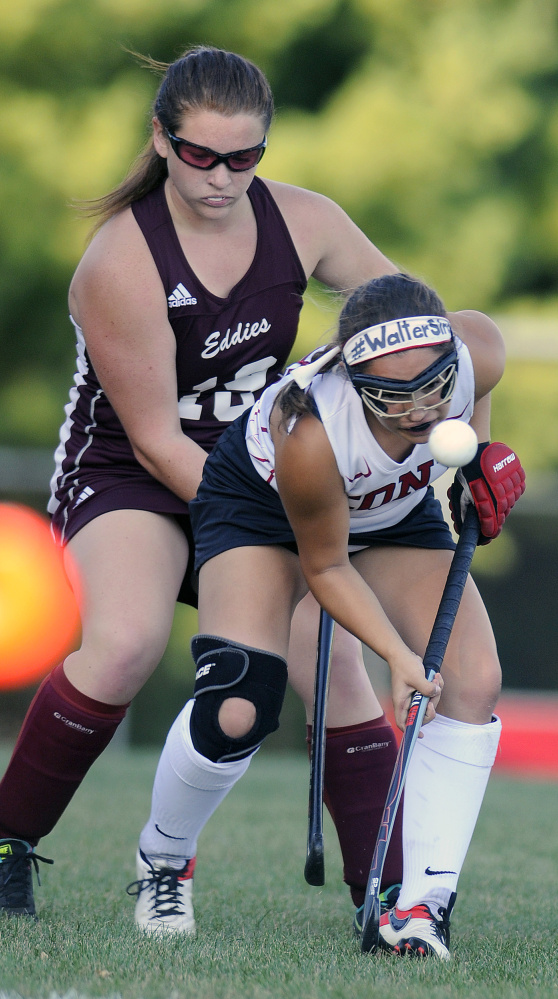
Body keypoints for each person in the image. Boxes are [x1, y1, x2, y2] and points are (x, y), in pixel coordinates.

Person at [0, 46, 405, 920]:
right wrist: (298, 523)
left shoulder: (307, 221)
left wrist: (451, 417)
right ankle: (7, 840)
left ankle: (389, 893)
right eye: (199, 155)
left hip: (255, 475)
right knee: (126, 644)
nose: (222, 177)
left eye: (245, 157)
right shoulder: (118, 261)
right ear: (160, 138)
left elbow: (410, 323)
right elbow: (153, 441)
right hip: (130, 478)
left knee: (331, 663)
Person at [132, 272, 525, 959]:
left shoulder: (475, 351)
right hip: (263, 507)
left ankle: (421, 907)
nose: (426, 410)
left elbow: (473, 394)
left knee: (474, 678)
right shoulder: (311, 429)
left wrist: (475, 466)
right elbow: (327, 567)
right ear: (356, 378)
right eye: (395, 398)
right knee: (238, 700)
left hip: (396, 511)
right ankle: (163, 860)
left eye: (436, 387)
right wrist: (399, 658)